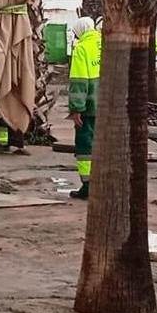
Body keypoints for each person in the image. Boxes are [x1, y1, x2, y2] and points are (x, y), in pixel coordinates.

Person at [66, 17, 101, 200]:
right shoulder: (106, 43)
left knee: (85, 146)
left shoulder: (82, 48)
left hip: (90, 107)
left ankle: (88, 185)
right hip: (110, 107)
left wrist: (76, 108)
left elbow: (79, 82)